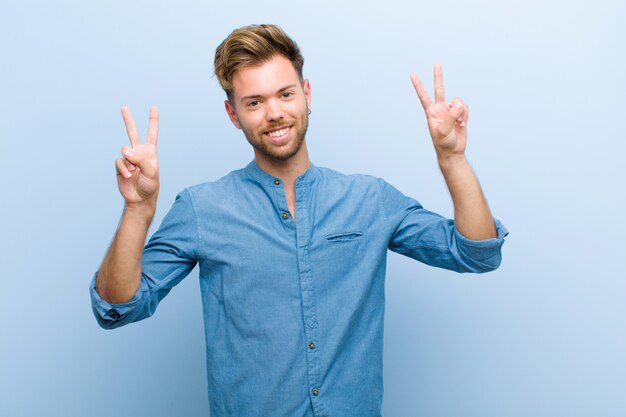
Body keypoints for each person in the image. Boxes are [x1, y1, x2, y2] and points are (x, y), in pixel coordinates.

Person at [90, 24, 507, 417]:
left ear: (306, 94)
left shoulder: (369, 200)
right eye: (254, 102)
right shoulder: (204, 209)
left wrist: (452, 158)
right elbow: (116, 307)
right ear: (233, 114)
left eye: (285, 94)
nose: (274, 113)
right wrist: (137, 210)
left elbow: (476, 252)